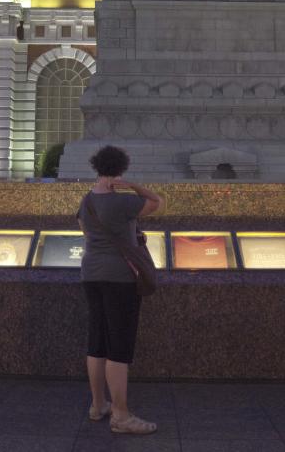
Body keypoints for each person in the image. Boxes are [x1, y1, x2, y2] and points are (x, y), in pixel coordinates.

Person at [78, 145, 163, 435]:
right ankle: (121, 415)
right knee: (119, 346)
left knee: (97, 341)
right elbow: (156, 202)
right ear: (121, 169)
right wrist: (133, 186)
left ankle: (98, 404)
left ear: (96, 167)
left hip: (91, 274)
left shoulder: (87, 201)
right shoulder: (124, 202)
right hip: (120, 278)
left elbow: (86, 232)